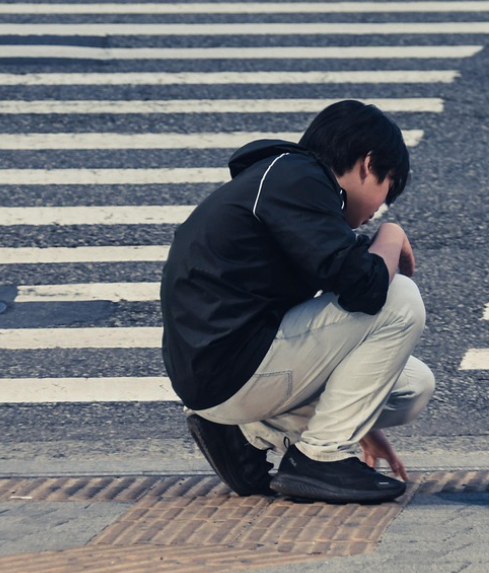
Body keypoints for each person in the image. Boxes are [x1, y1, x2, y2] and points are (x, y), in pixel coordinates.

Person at [161, 100, 434, 504]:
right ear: (367, 164)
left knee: (412, 386)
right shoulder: (298, 179)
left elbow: (340, 310)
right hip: (231, 368)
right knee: (400, 298)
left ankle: (246, 434)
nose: (379, 207)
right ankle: (322, 457)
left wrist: (358, 422)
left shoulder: (287, 182)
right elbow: (369, 288)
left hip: (222, 372)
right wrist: (391, 234)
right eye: (387, 189)